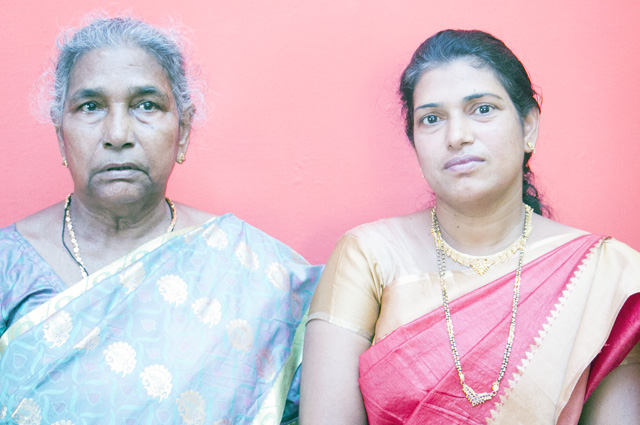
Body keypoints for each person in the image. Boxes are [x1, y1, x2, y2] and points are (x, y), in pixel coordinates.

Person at [300, 30, 640, 424]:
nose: (457, 137)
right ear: (415, 142)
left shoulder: (606, 273)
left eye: (482, 109)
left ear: (528, 126)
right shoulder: (369, 255)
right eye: (431, 119)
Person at [0, 16, 322, 424]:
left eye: (146, 105)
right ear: (60, 134)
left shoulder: (261, 273)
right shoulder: (8, 266)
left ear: (183, 130)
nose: (118, 133)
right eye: (90, 106)